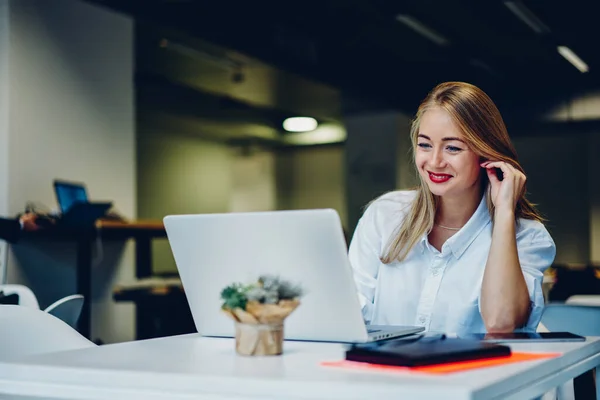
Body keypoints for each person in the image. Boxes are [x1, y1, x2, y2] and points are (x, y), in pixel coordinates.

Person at [348, 82, 556, 334]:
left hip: (476, 374)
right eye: (425, 145)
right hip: (386, 371)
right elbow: (351, 314)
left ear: (486, 153)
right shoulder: (384, 216)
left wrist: (503, 213)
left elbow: (502, 323)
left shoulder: (527, 236)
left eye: (453, 148)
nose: (434, 162)